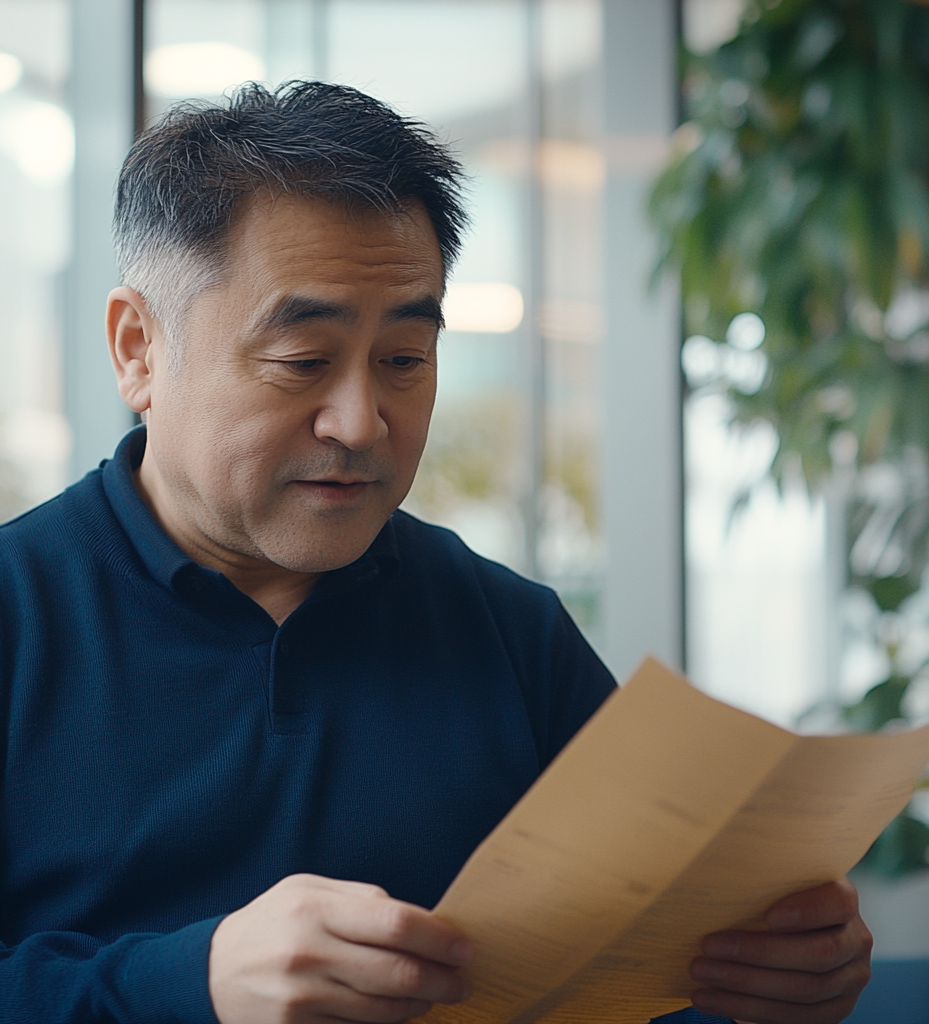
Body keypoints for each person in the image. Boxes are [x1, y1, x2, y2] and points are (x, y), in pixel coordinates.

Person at [0, 81, 871, 1024]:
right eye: (303, 360)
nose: (362, 421)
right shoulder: (20, 616)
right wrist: (189, 986)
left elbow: (644, 980)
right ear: (138, 349)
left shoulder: (509, 630)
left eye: (406, 359)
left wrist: (767, 987)